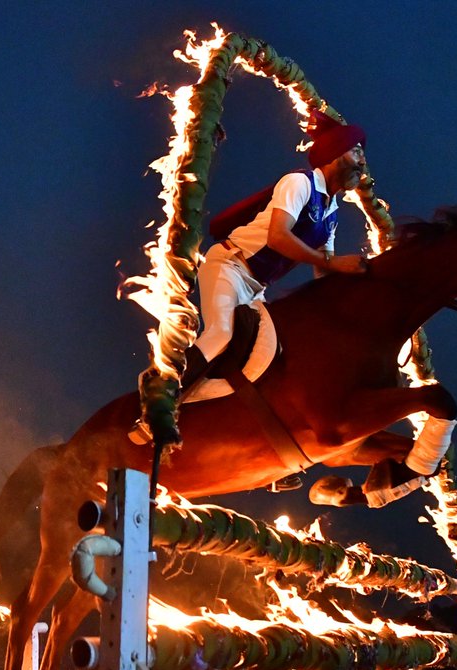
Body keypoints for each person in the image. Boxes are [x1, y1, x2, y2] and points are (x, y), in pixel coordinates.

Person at [130, 113, 370, 446]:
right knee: (222, 333)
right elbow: (278, 238)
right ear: (334, 154)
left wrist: (361, 287)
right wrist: (333, 263)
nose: (362, 160)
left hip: (256, 288)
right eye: (356, 151)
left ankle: (260, 443)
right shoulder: (299, 182)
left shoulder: (331, 213)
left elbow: (324, 271)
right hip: (230, 265)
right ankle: (157, 401)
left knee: (273, 362)